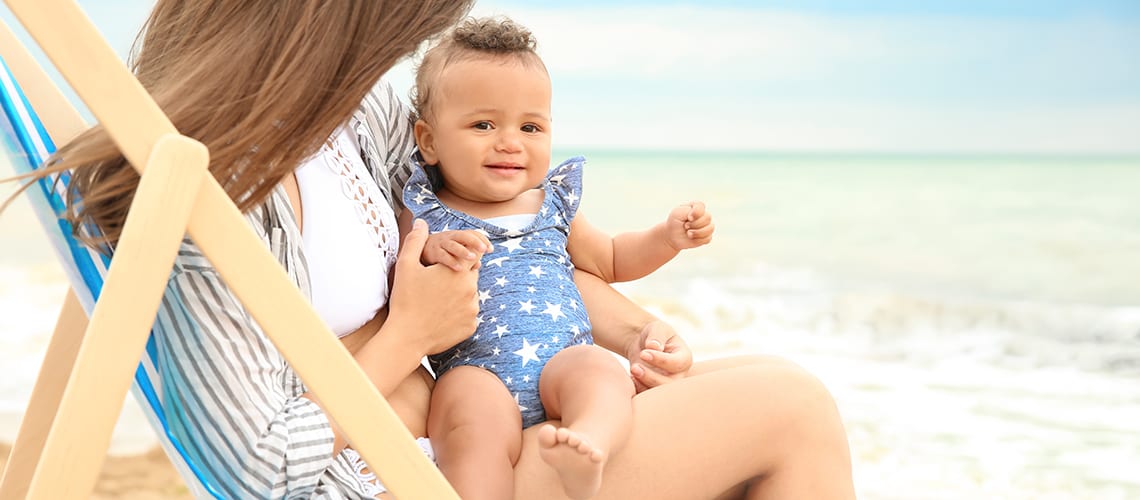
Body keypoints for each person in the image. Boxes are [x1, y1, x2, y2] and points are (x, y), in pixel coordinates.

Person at [24, 1, 856, 498]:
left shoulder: (347, 123)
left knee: (751, 387)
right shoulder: (215, 200)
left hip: (471, 437)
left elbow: (511, 236)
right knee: (792, 408)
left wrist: (627, 327)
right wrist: (406, 339)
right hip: (418, 476)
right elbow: (260, 470)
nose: (398, 51)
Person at [400, 17, 715, 499]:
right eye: (483, 124)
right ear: (429, 141)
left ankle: (587, 443)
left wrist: (665, 238)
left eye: (530, 126)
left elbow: (610, 259)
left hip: (561, 367)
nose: (510, 141)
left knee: (600, 370)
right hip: (477, 373)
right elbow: (396, 271)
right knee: (465, 411)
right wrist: (428, 251)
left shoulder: (550, 203)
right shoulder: (425, 210)